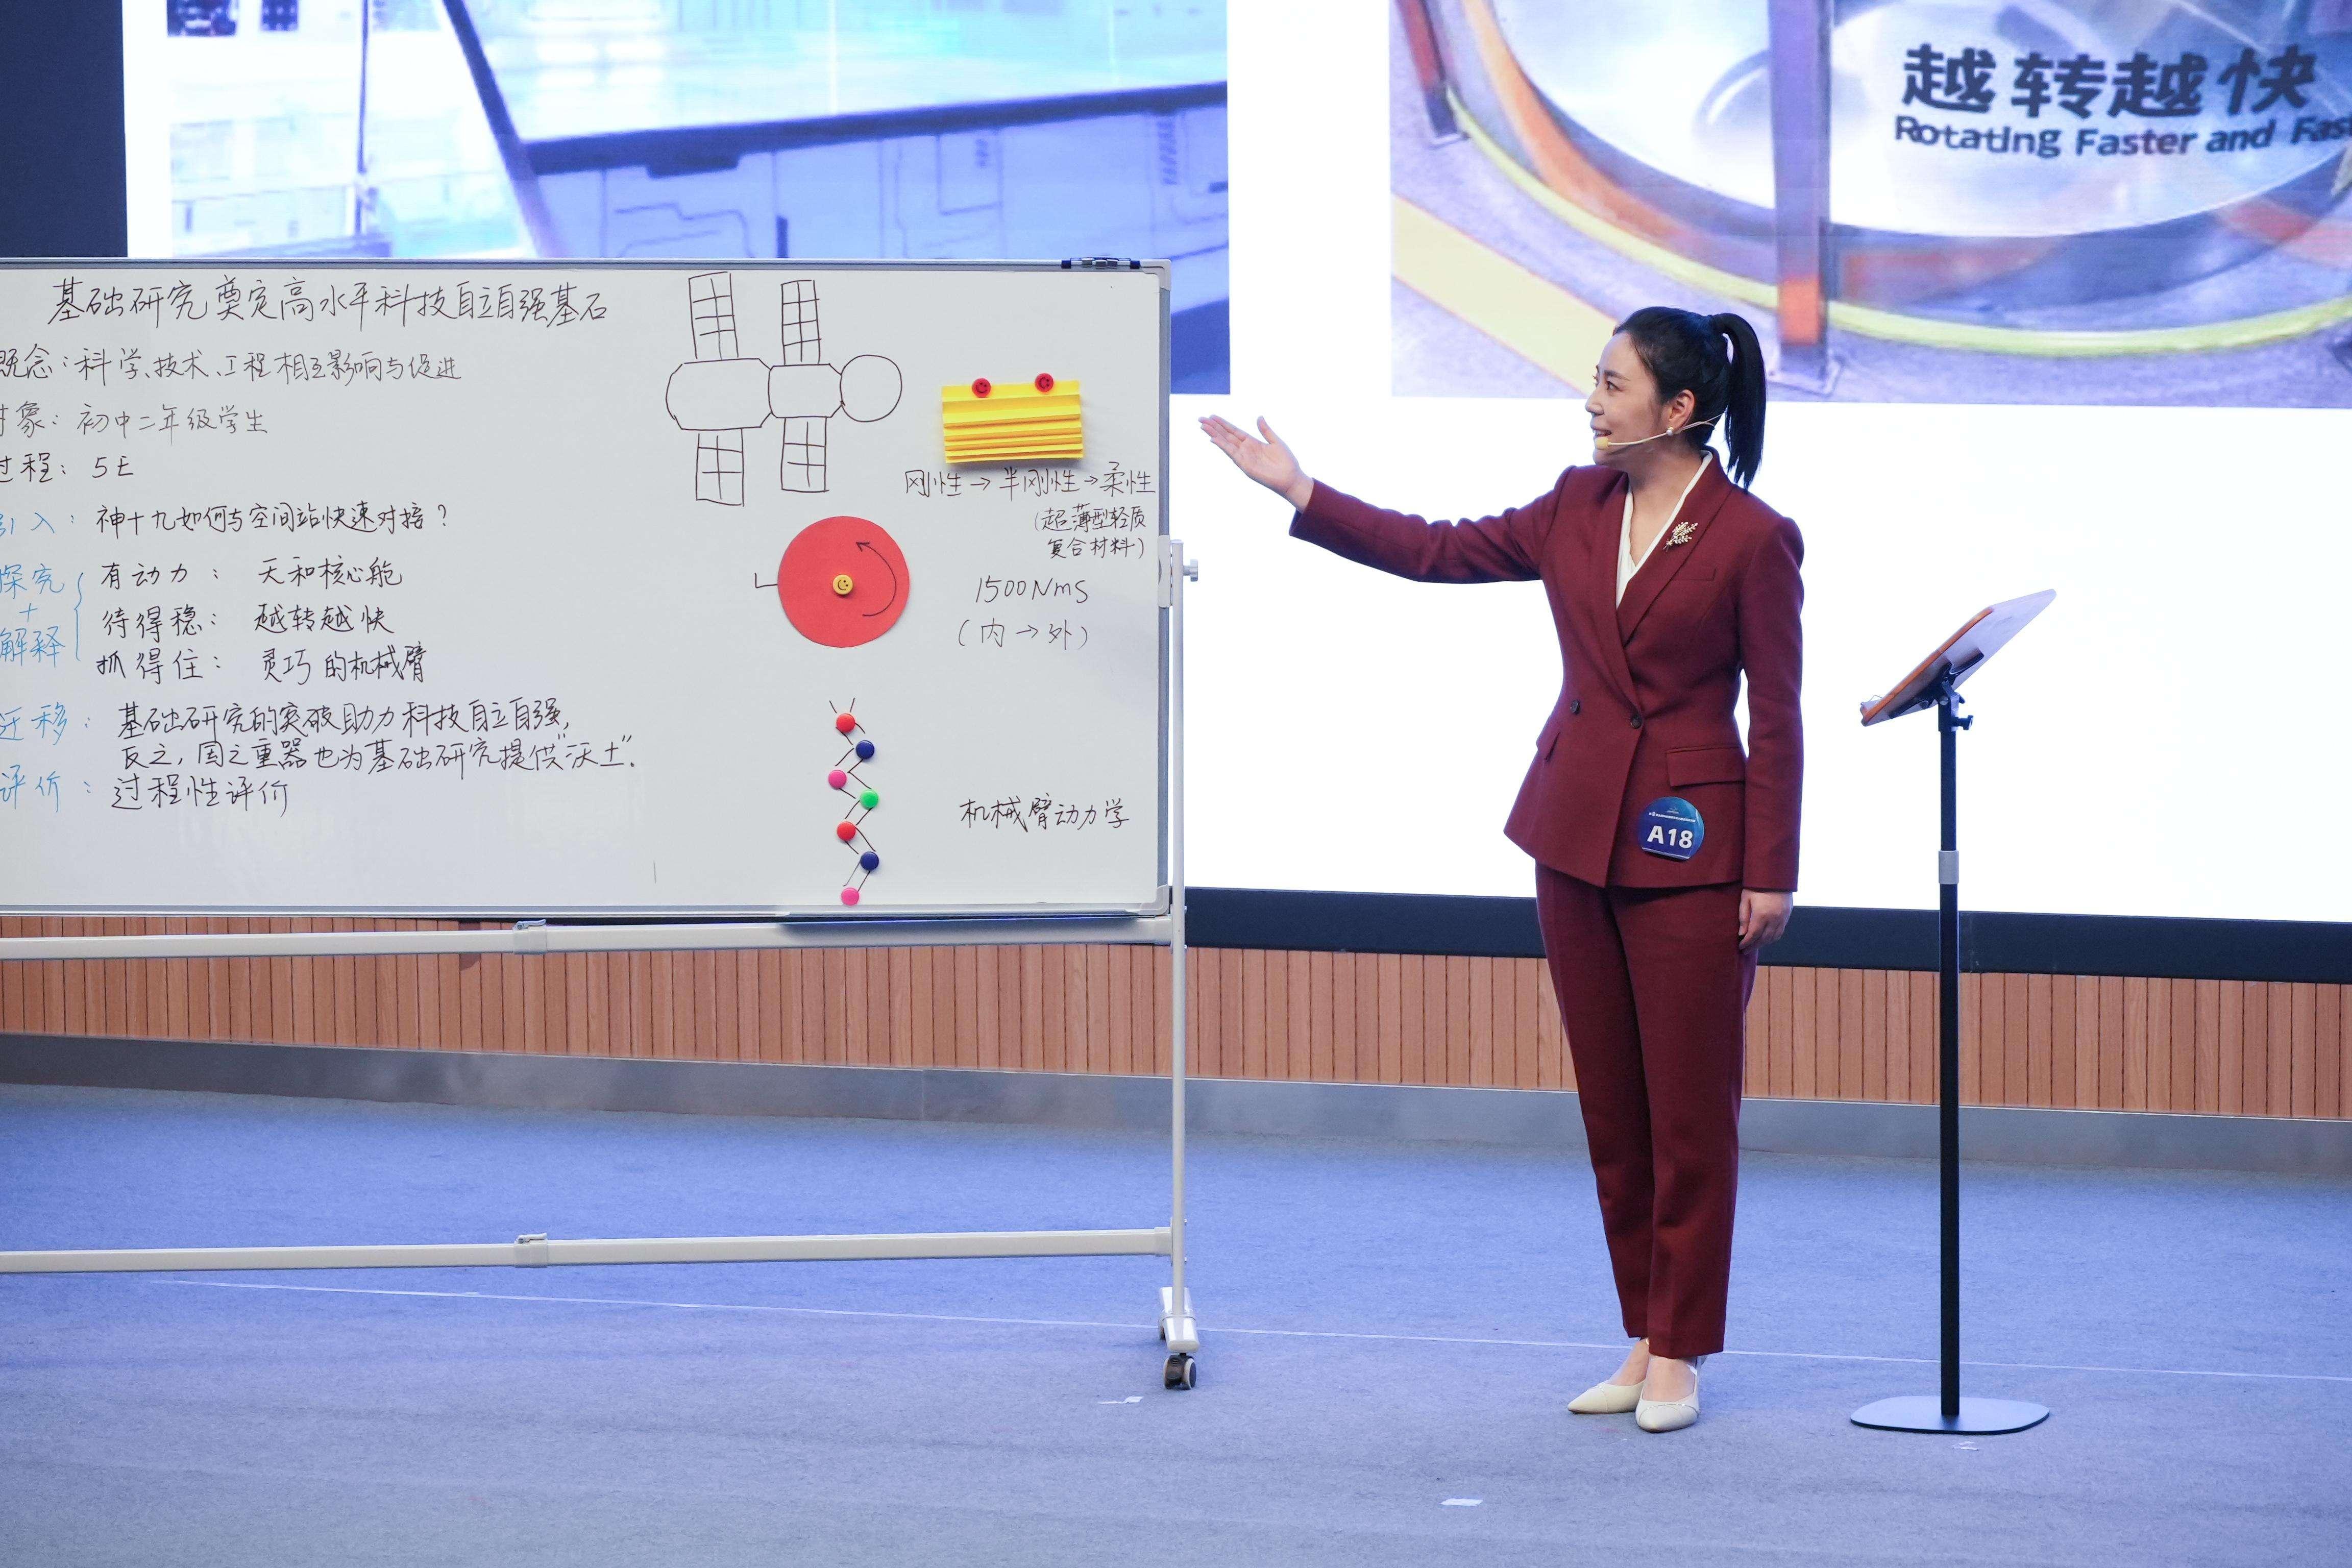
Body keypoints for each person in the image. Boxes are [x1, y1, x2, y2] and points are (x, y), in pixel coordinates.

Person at [1200, 307, 1801, 1434]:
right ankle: (1644, 1330)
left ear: (1677, 409)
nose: (1591, 401)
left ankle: (1683, 1351)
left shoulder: (1753, 538)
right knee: (1614, 1110)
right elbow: (1436, 549)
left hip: (1692, 854)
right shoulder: (1577, 504)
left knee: (1689, 1117)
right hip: (1573, 837)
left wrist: (1771, 870)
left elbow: (1777, 715)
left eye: (1613, 385)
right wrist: (1303, 492)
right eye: (1595, 380)